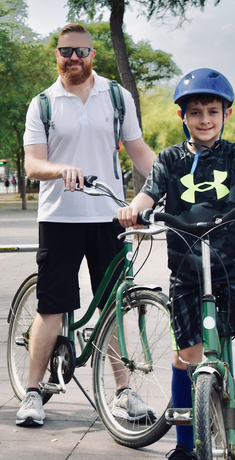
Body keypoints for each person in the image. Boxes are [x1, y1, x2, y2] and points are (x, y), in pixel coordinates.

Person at [117, 68, 235, 460]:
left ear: (226, 114)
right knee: (187, 356)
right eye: (195, 112)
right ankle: (183, 446)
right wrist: (135, 211)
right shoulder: (169, 159)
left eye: (212, 111)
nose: (204, 120)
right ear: (183, 115)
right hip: (187, 269)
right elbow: (148, 195)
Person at [20, 23, 157, 427]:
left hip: (111, 216)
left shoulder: (116, 96)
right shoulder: (42, 103)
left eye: (81, 52)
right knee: (52, 306)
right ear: (56, 55)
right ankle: (31, 392)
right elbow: (32, 164)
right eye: (66, 52)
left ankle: (123, 392)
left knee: (115, 304)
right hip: (60, 217)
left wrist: (167, 185)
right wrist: (60, 169)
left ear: (93, 55)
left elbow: (138, 151)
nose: (73, 59)